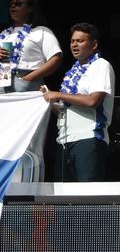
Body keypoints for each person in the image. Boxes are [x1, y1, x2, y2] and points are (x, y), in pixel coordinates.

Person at [0, 0, 63, 180]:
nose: (13, 7)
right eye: (11, 4)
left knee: (30, 142)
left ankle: (32, 191)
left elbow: (56, 58)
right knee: (4, 139)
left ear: (30, 8)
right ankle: (5, 186)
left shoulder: (40, 32)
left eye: (18, 3)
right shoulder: (1, 35)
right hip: (3, 85)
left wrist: (30, 77)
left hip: (29, 85)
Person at [41, 22, 115, 182]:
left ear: (94, 44)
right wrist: (47, 99)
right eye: (72, 41)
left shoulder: (101, 66)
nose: (74, 45)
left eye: (80, 41)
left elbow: (92, 101)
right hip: (64, 140)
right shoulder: (72, 72)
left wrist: (58, 94)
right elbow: (63, 109)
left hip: (89, 138)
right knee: (64, 198)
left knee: (87, 198)